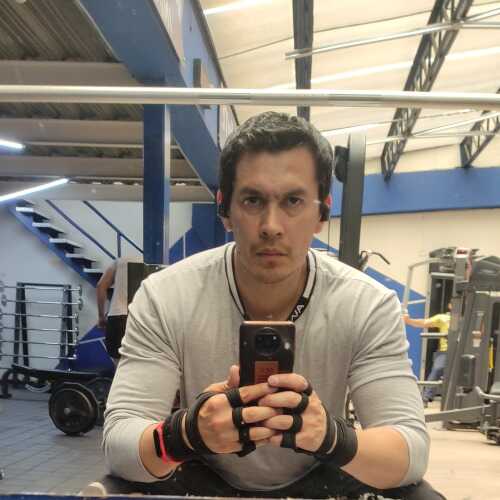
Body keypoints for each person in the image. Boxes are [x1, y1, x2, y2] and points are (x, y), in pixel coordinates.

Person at [102, 112, 444, 499]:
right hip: (202, 473)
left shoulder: (368, 305)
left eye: (293, 201)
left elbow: (411, 451)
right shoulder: (164, 296)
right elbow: (119, 442)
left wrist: (332, 437)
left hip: (320, 476)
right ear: (225, 210)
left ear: (322, 213)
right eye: (252, 200)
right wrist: (185, 434)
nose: (271, 226)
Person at [96, 255, 142, 363]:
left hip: (117, 317)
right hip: (139, 319)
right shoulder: (155, 263)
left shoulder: (121, 261)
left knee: (119, 366)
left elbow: (101, 286)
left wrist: (101, 317)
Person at [403, 307, 451, 406]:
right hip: (445, 351)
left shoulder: (470, 317)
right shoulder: (443, 318)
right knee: (438, 369)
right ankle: (425, 398)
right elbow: (424, 322)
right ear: (450, 305)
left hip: (463, 350)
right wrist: (408, 321)